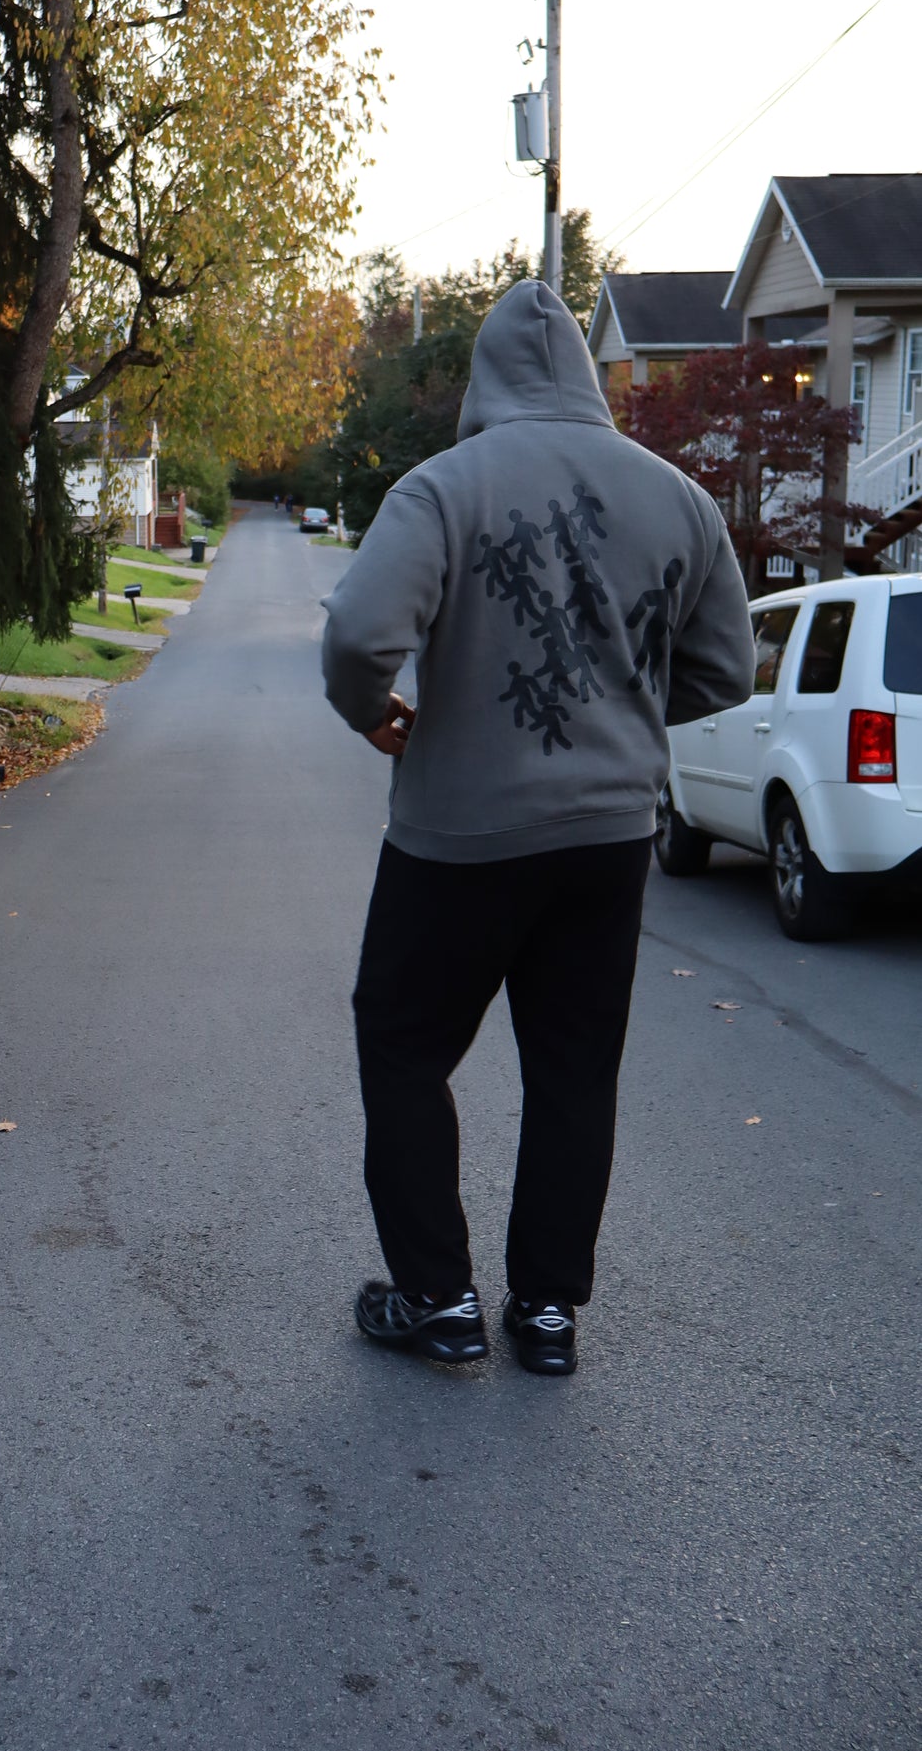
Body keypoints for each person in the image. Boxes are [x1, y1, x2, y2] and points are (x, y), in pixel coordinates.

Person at [322, 280, 753, 1375]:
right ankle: (548, 1310)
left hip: (457, 837)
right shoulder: (678, 498)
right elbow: (723, 669)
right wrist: (618, 719)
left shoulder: (440, 490)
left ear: (484, 377)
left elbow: (361, 634)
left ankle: (436, 1297)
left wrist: (379, 714)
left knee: (406, 1044)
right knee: (572, 1068)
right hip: (606, 842)